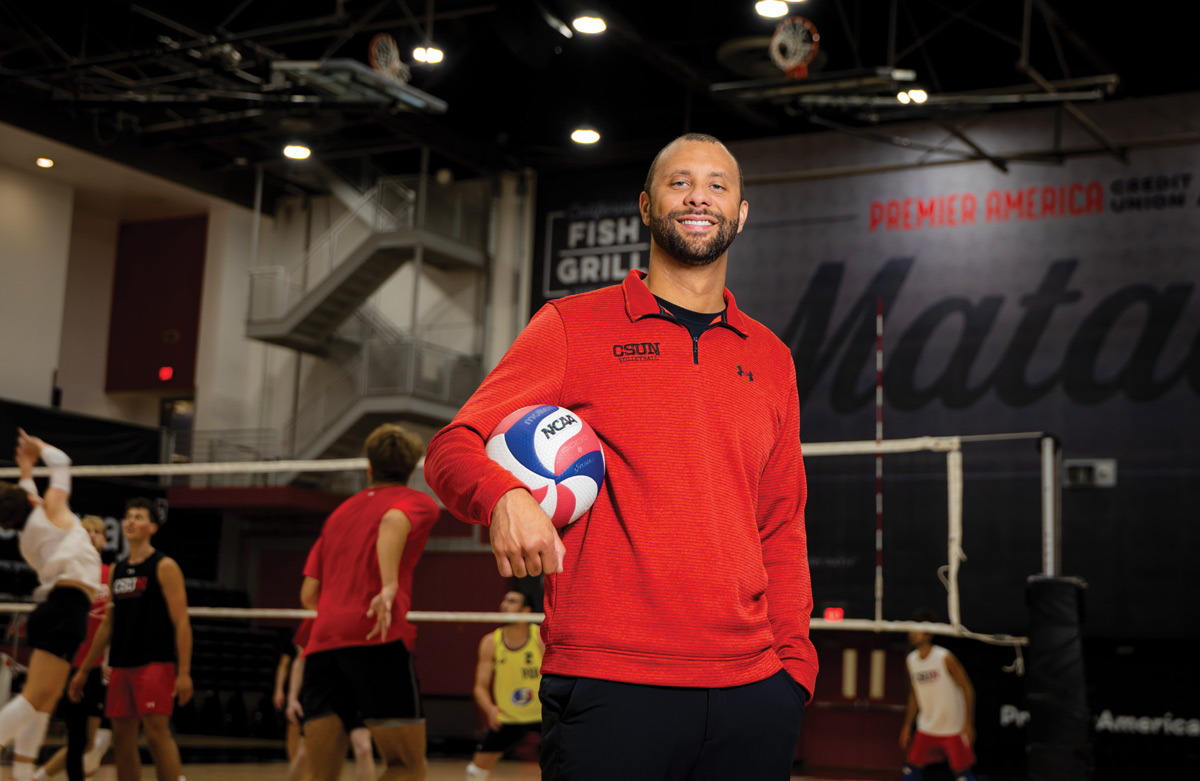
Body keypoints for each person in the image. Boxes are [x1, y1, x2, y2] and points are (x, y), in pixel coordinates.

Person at [424, 133, 818, 780]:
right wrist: (506, 495)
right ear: (645, 205)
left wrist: (792, 671)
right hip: (611, 682)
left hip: (754, 691)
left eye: (718, 185)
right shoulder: (573, 326)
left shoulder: (772, 358)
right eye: (679, 182)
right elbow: (451, 447)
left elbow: (781, 520)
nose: (699, 196)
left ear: (741, 212)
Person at [298, 423, 440, 781]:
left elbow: (309, 593)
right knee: (406, 767)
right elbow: (393, 522)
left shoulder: (338, 514)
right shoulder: (417, 502)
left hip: (322, 645)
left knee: (321, 775)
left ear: (370, 467)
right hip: (376, 637)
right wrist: (389, 585)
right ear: (411, 469)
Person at [0, 430, 103, 781]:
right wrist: (40, 448)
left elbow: (25, 498)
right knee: (35, 697)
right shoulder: (49, 513)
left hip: (57, 609)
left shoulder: (31, 533)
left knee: (47, 698)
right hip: (65, 609)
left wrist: (26, 469)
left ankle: (23, 773)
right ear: (30, 501)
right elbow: (62, 464)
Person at [69, 498, 193, 781]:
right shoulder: (117, 570)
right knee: (122, 739)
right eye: (128, 517)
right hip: (122, 665)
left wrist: (184, 672)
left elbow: (182, 622)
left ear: (152, 527)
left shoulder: (164, 566)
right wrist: (84, 669)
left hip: (155, 663)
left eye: (138, 517)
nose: (130, 521)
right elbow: (107, 625)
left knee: (156, 735)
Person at [34, 515, 113, 781]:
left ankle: (38, 777)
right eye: (87, 531)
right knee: (78, 737)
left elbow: (113, 623)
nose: (92, 535)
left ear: (104, 539)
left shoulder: (111, 573)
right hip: (71, 664)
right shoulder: (69, 573)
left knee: (89, 743)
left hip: (97, 667)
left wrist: (108, 661)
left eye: (97, 532)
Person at [284, 617, 377, 781]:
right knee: (304, 754)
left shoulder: (366, 616)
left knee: (364, 748)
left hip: (355, 690)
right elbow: (300, 661)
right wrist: (292, 698)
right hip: (322, 691)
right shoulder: (315, 617)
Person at [465, 588, 543, 780]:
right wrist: (490, 709)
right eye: (504, 600)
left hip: (543, 715)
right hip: (507, 717)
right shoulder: (491, 642)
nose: (504, 605)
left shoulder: (540, 637)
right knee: (475, 773)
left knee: (567, 764)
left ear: (526, 611)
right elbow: (480, 687)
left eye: (512, 601)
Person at [900, 610, 978, 781]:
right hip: (927, 725)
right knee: (911, 767)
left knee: (962, 772)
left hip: (953, 726)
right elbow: (914, 695)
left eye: (917, 629)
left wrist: (968, 723)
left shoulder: (944, 657)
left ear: (929, 633)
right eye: (910, 629)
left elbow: (967, 688)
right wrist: (907, 725)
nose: (912, 633)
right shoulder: (911, 660)